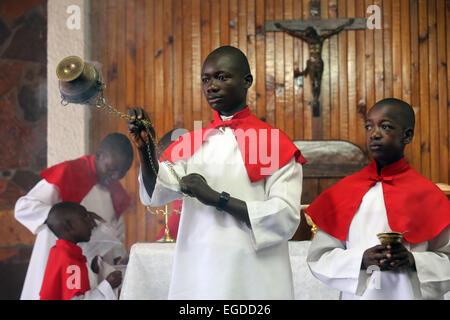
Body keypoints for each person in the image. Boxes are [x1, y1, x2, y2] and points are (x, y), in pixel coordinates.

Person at [127, 45, 307, 299]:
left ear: (247, 81)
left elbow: (284, 217)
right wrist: (145, 151)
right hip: (201, 272)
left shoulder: (272, 143)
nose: (211, 86)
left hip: (255, 274)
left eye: (222, 77)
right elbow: (157, 192)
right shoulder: (190, 144)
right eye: (206, 79)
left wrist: (217, 199)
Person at [305, 98, 450, 299]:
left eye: (386, 126)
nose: (374, 134)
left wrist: (414, 260)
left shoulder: (428, 194)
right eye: (369, 126)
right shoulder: (343, 192)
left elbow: (447, 258)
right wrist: (361, 260)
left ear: (407, 135)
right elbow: (320, 257)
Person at [15, 132, 133, 300]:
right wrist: (60, 216)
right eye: (112, 169)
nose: (115, 177)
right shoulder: (70, 172)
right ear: (99, 155)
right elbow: (24, 208)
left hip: (86, 270)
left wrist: (118, 258)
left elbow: (113, 236)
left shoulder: (116, 192)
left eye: (122, 172)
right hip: (55, 260)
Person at [40, 202, 122, 300]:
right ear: (69, 226)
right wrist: (108, 285)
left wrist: (93, 272)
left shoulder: (59, 252)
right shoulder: (70, 259)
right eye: (85, 218)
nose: (92, 224)